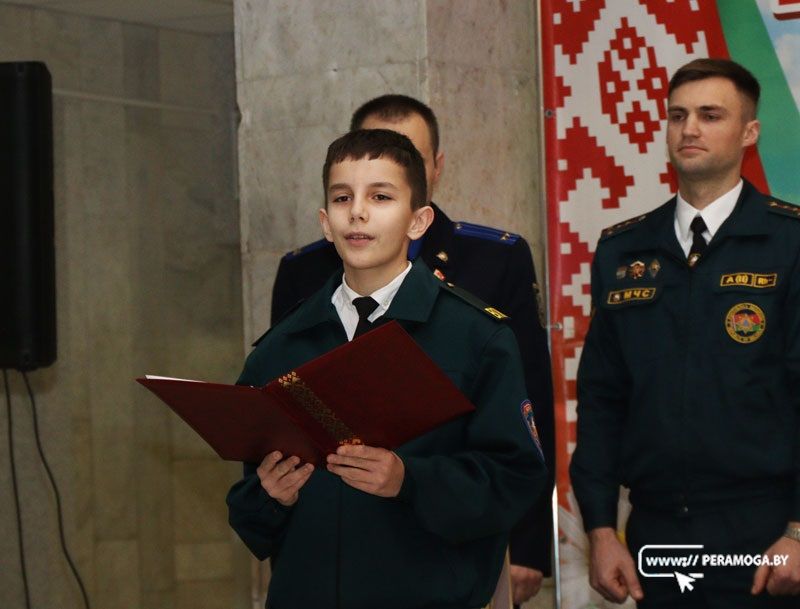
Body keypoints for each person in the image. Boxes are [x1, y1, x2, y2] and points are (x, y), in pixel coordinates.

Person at [227, 128, 547, 609]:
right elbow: (250, 507)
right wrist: (271, 496)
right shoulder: (280, 348)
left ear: (418, 221)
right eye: (342, 198)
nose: (357, 212)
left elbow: (513, 478)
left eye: (380, 196)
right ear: (325, 222)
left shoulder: (476, 337)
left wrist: (407, 479)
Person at [570, 57, 800, 608]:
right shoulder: (624, 250)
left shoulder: (788, 242)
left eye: (710, 115)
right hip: (656, 533)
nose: (689, 129)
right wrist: (601, 529)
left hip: (765, 532)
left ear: (749, 132)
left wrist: (798, 531)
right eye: (678, 115)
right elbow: (601, 401)